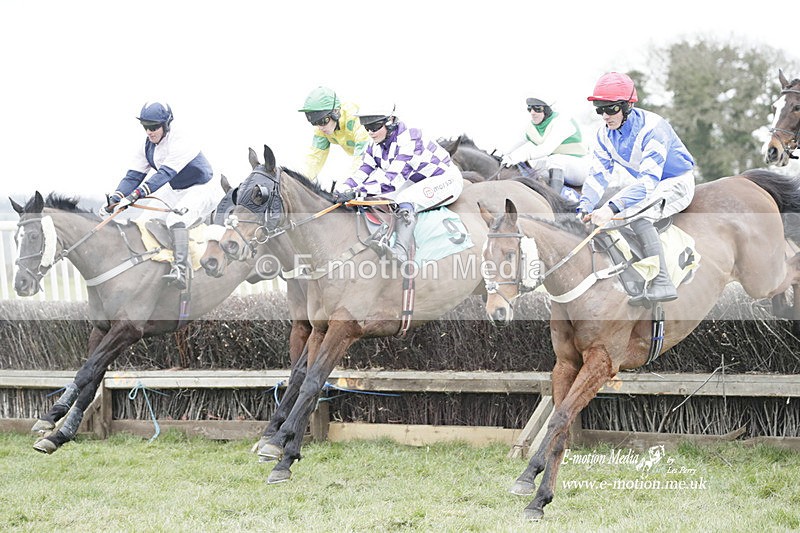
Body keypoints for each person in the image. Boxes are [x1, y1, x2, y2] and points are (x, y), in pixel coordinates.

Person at [578, 72, 696, 306]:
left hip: (676, 182)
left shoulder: (654, 128)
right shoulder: (604, 134)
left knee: (636, 214)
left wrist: (611, 208)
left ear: (627, 106)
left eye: (610, 109)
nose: (604, 116)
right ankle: (634, 277)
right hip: (648, 185)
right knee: (604, 223)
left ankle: (663, 281)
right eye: (599, 109)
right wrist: (584, 207)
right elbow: (598, 175)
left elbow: (648, 181)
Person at [103, 101, 216, 290]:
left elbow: (164, 174)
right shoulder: (147, 146)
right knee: (144, 221)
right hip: (175, 189)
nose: (149, 131)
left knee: (174, 219)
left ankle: (181, 269)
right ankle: (154, 265)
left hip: (202, 188)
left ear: (166, 124)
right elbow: (134, 175)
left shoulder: (181, 139)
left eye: (154, 126)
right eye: (145, 127)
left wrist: (136, 195)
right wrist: (116, 197)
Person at [336, 105, 464, 262]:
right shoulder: (374, 144)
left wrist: (358, 191)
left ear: (390, 121)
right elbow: (362, 171)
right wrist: (342, 189)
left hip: (444, 179)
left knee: (405, 198)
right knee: (377, 199)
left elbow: (392, 180)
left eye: (374, 126)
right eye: (367, 127)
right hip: (415, 180)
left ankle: (400, 251)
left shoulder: (409, 140)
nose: (370, 132)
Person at [501, 96, 588, 201]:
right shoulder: (531, 127)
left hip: (580, 167)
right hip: (562, 168)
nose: (532, 112)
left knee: (555, 160)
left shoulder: (563, 121)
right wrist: (502, 155)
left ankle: (555, 202)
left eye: (537, 108)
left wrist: (519, 156)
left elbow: (546, 149)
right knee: (535, 169)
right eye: (530, 108)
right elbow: (515, 143)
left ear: (548, 110)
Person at [298, 86, 371, 181]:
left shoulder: (356, 120)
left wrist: (348, 185)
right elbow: (314, 159)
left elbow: (362, 159)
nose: (320, 127)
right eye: (314, 123)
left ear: (336, 112)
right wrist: (301, 182)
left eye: (323, 121)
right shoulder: (321, 129)